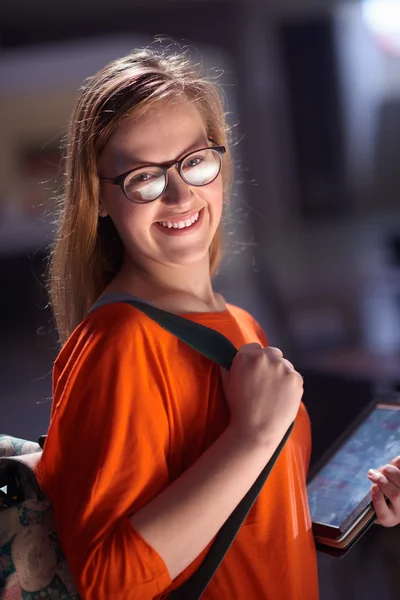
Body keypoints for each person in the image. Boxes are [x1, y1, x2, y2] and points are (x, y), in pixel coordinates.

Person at [37, 45, 400, 600]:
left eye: (195, 161)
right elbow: (109, 582)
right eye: (143, 178)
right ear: (99, 198)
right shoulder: (120, 344)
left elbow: (247, 519)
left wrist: (361, 508)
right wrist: (251, 437)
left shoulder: (238, 323)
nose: (182, 194)